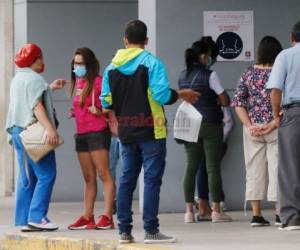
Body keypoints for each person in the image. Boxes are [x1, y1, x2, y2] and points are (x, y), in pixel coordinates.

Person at [100, 20, 200, 244]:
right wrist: (182, 94)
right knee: (152, 181)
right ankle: (151, 231)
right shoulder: (152, 63)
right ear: (146, 40)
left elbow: (105, 102)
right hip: (152, 130)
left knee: (126, 180)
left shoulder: (110, 68)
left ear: (125, 40)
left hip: (126, 132)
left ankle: (124, 232)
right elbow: (162, 96)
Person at [6, 43, 66, 232]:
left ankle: (24, 219)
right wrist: (50, 129)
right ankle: (37, 217)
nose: (42, 61)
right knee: (47, 174)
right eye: (40, 57)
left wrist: (50, 88)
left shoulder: (18, 78)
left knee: (27, 178)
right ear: (34, 59)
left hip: (18, 133)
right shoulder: (35, 79)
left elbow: (27, 97)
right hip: (33, 134)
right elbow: (36, 106)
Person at [178, 40, 232, 224]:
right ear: (203, 55)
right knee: (212, 167)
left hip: (190, 125)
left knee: (190, 167)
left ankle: (188, 213)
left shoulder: (182, 75)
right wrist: (221, 101)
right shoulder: (211, 75)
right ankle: (216, 211)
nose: (211, 59)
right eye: (210, 56)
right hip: (210, 124)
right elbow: (224, 99)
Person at [232, 36, 283, 227]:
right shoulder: (280, 73)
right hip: (275, 126)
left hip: (253, 129)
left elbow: (238, 102)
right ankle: (279, 213)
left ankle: (256, 215)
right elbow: (285, 100)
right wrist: (273, 122)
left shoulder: (248, 73)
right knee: (277, 168)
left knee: (253, 169)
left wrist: (248, 125)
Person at [67, 48, 115, 230]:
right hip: (82, 134)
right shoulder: (78, 83)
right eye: (75, 63)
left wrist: (100, 111)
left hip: (97, 132)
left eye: (80, 63)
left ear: (89, 64)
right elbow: (82, 106)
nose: (77, 67)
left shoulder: (99, 82)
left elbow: (111, 107)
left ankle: (107, 216)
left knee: (104, 173)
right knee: (88, 177)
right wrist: (75, 112)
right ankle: (88, 217)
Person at [194, 36, 234, 220]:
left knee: (200, 168)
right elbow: (226, 106)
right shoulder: (210, 77)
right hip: (212, 131)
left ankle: (202, 206)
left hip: (198, 132)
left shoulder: (187, 76)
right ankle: (215, 206)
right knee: (209, 168)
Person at [266, 20, 300, 231]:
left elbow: (275, 90)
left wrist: (276, 115)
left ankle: (293, 219)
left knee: (290, 167)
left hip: (293, 113)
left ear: (292, 38)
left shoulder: (285, 56)